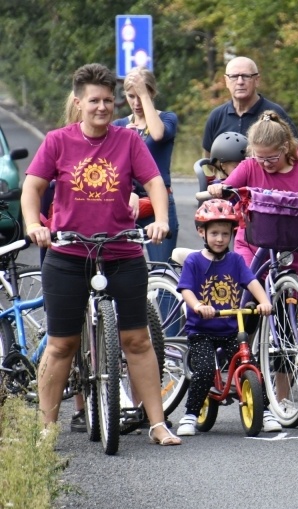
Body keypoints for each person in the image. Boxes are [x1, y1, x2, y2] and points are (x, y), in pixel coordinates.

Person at [21, 63, 179, 445]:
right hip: (69, 253)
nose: (103, 107)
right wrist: (34, 224)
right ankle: (46, 429)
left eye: (109, 100)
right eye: (94, 100)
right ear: (78, 103)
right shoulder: (58, 141)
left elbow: (154, 182)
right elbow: (32, 187)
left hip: (121, 250)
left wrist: (159, 219)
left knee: (137, 340)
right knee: (62, 343)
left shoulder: (128, 141)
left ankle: (158, 424)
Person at [208, 111, 298, 429]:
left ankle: (282, 397)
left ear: (287, 148)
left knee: (285, 325)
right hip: (252, 247)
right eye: (260, 157)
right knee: (245, 313)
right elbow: (228, 186)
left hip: (289, 255)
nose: (265, 164)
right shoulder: (250, 167)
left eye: (272, 157)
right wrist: (219, 189)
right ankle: (228, 361)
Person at [175, 200, 273, 436]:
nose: (220, 239)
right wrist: (198, 305)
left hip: (230, 328)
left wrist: (264, 301)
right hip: (201, 330)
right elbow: (186, 288)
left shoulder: (235, 261)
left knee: (250, 365)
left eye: (225, 234)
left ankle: (265, 411)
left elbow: (251, 282)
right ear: (202, 232)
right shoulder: (194, 260)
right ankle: (190, 414)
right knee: (205, 369)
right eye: (214, 233)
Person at [112, 67, 179, 263]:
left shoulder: (167, 118)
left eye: (140, 95)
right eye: (131, 96)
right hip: (128, 202)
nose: (136, 102)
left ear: (151, 93)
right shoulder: (119, 125)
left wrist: (143, 94)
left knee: (163, 268)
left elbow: (157, 134)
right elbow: (115, 167)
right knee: (126, 269)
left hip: (158, 201)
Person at [202, 56, 298, 157]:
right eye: (234, 76)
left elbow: (294, 153)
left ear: (257, 80)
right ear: (226, 81)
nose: (240, 82)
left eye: (246, 76)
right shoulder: (216, 116)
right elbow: (209, 161)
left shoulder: (275, 114)